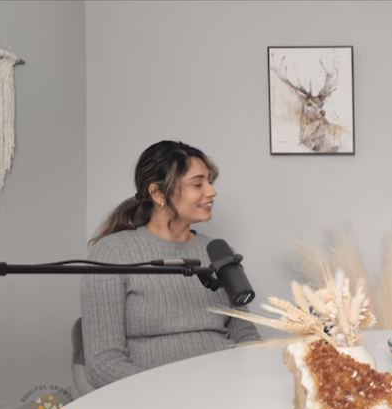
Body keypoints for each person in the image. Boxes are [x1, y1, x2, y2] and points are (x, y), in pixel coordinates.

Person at [80, 140, 261, 389]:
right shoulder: (113, 252)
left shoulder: (217, 251)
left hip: (226, 389)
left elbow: (245, 335)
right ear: (158, 193)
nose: (211, 191)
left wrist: (248, 381)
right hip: (154, 399)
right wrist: (169, 393)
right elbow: (104, 363)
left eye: (209, 181)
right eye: (198, 183)